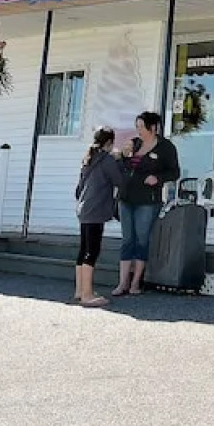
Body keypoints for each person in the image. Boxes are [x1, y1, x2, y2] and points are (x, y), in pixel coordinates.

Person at [112, 111, 180, 297]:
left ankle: (136, 282)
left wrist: (157, 178)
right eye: (137, 126)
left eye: (141, 126)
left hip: (147, 201)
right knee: (127, 240)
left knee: (142, 240)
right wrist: (122, 156)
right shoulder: (134, 143)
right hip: (126, 198)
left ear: (153, 127)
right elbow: (123, 166)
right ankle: (122, 282)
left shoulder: (166, 148)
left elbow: (174, 173)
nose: (138, 130)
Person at [73, 127, 124, 307]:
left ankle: (79, 290)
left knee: (83, 250)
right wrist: (119, 160)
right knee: (91, 251)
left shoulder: (88, 158)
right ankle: (87, 295)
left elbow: (78, 189)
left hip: (84, 208)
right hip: (96, 210)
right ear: (109, 143)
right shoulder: (107, 160)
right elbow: (119, 180)